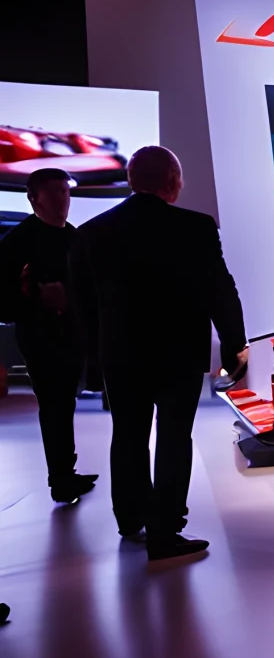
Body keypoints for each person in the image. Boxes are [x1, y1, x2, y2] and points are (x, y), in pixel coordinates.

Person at [70, 146, 247, 561]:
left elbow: (83, 306)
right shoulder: (196, 227)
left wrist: (92, 361)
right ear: (172, 182)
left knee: (128, 435)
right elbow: (220, 290)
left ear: (131, 181)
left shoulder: (92, 232)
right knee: (172, 438)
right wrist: (235, 344)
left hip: (120, 353)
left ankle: (130, 518)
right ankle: (164, 531)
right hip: (178, 353)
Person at [0, 168, 97, 503]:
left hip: (71, 334)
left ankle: (65, 473)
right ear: (34, 198)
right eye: (54, 191)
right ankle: (61, 478)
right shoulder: (17, 242)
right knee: (55, 404)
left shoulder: (74, 237)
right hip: (41, 336)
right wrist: (38, 299)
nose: (62, 198)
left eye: (65, 191)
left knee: (62, 403)